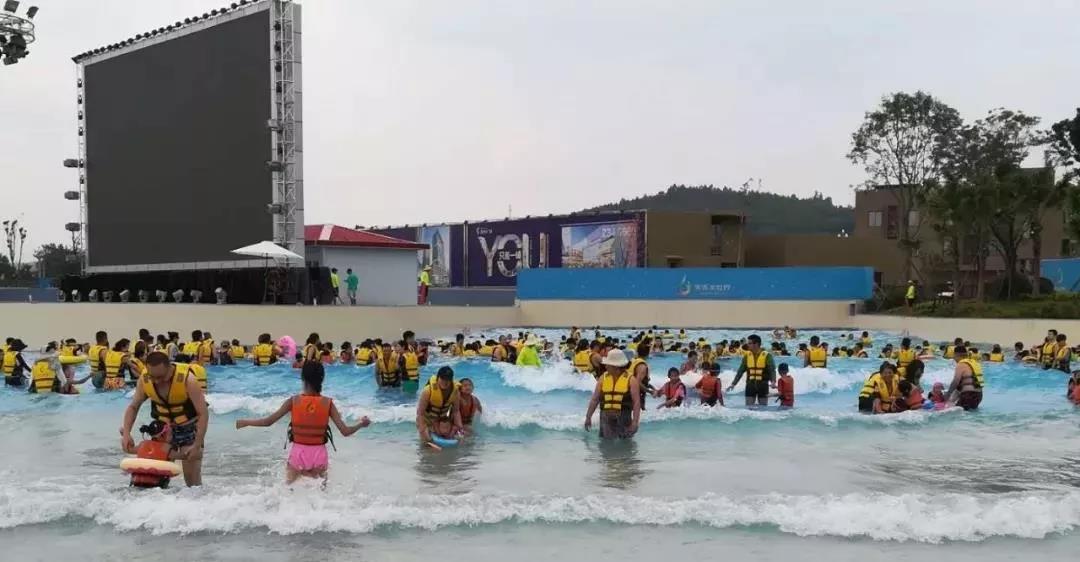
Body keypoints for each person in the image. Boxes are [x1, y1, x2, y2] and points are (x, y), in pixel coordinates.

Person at [236, 361, 370, 483]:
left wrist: (245, 422)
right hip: (319, 455)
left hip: (298, 454)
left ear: (303, 378)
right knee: (322, 495)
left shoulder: (293, 401)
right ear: (322, 379)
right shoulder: (328, 403)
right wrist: (361, 424)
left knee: (289, 491)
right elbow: (345, 431)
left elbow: (268, 421)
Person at [121, 352, 209, 487]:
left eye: (161, 377)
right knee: (153, 481)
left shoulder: (188, 380)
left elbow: (203, 413)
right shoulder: (145, 380)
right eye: (153, 377)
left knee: (192, 484)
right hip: (163, 431)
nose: (157, 381)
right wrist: (127, 433)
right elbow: (133, 407)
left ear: (169, 368)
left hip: (188, 429)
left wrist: (197, 445)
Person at [584, 349, 641, 439]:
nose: (606, 366)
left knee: (624, 444)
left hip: (623, 417)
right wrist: (588, 417)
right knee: (605, 444)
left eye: (608, 364)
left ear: (616, 367)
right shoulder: (603, 378)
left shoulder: (631, 380)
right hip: (605, 417)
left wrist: (635, 422)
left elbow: (636, 403)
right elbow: (595, 399)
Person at [416, 367, 463, 445]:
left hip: (441, 421)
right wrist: (423, 429)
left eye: (448, 379)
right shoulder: (428, 391)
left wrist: (460, 427)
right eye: (442, 379)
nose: (445, 382)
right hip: (426, 419)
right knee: (426, 442)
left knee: (460, 438)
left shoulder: (455, 391)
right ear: (438, 378)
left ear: (451, 380)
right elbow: (420, 413)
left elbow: (456, 411)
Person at [728, 334, 775, 407]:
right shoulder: (747, 356)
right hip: (750, 385)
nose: (748, 345)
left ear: (756, 344)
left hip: (763, 385)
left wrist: (773, 381)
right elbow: (740, 371)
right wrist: (733, 384)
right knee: (748, 409)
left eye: (749, 343)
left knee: (763, 409)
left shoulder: (767, 356)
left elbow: (771, 370)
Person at [946, 346, 983, 411]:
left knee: (957, 414)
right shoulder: (975, 363)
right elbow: (961, 385)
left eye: (954, 356)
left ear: (956, 354)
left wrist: (947, 394)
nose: (954, 358)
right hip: (979, 395)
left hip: (968, 395)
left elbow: (955, 382)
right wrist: (952, 400)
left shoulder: (961, 364)